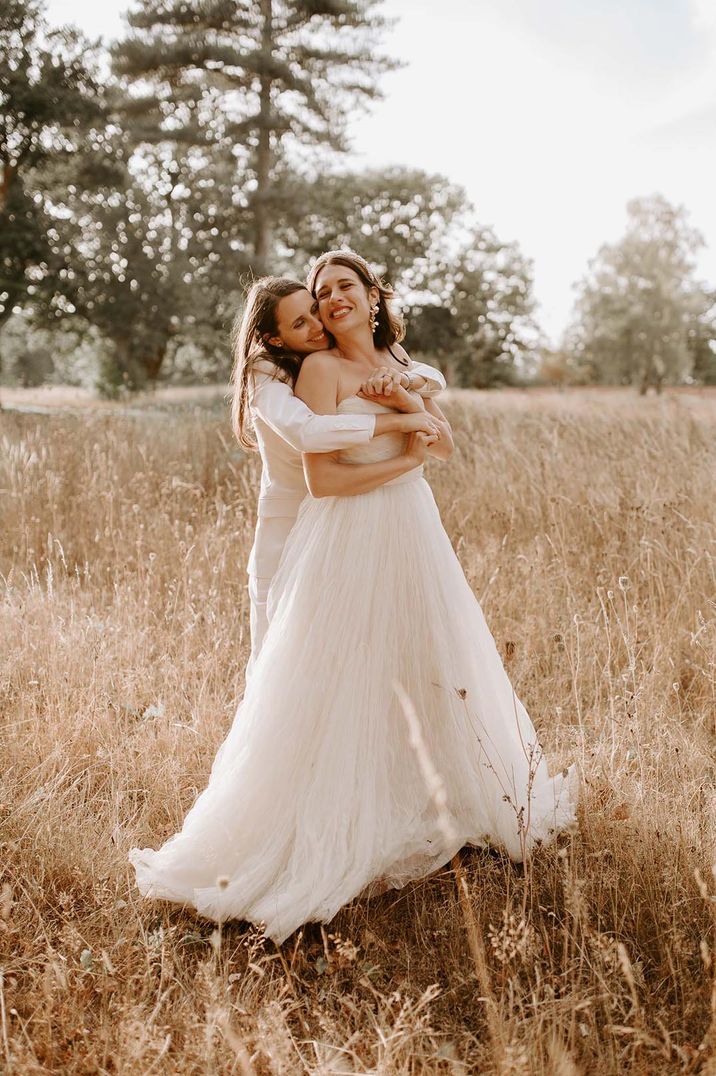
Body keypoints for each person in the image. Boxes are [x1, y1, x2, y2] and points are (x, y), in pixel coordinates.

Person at [129, 251, 578, 945]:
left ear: (372, 298)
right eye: (319, 293)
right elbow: (328, 481)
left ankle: (436, 799)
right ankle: (330, 822)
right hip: (349, 535)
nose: (331, 300)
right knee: (335, 681)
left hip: (413, 534)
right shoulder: (316, 371)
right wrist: (406, 452)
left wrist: (403, 399)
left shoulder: (396, 363)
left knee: (429, 660)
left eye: (343, 288)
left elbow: (446, 443)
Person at [229, 276, 447, 677]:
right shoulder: (265, 372)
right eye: (299, 324)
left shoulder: (344, 355)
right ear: (273, 339)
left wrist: (412, 382)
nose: (316, 325)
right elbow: (307, 432)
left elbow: (423, 372)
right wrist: (400, 424)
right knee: (280, 653)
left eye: (313, 311)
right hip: (290, 521)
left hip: (341, 518)